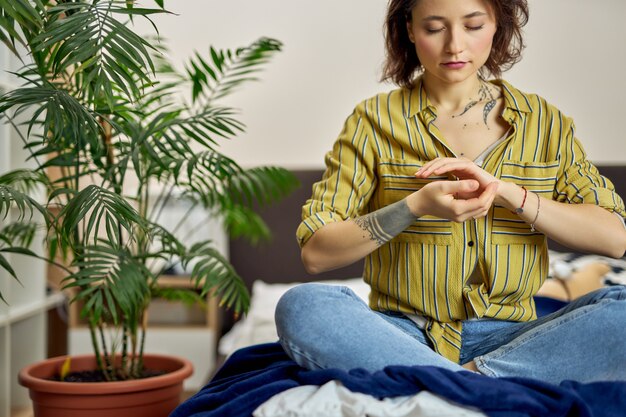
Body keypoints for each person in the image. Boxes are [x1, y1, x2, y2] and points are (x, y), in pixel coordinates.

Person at [275, 0, 626, 384]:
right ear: (410, 29)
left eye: (473, 26)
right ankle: (476, 383)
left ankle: (452, 381)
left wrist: (510, 194)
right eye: (434, 28)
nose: (455, 46)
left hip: (512, 337)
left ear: (497, 26)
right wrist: (414, 205)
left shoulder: (546, 123)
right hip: (401, 334)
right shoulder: (372, 121)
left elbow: (614, 239)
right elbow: (316, 253)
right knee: (303, 305)